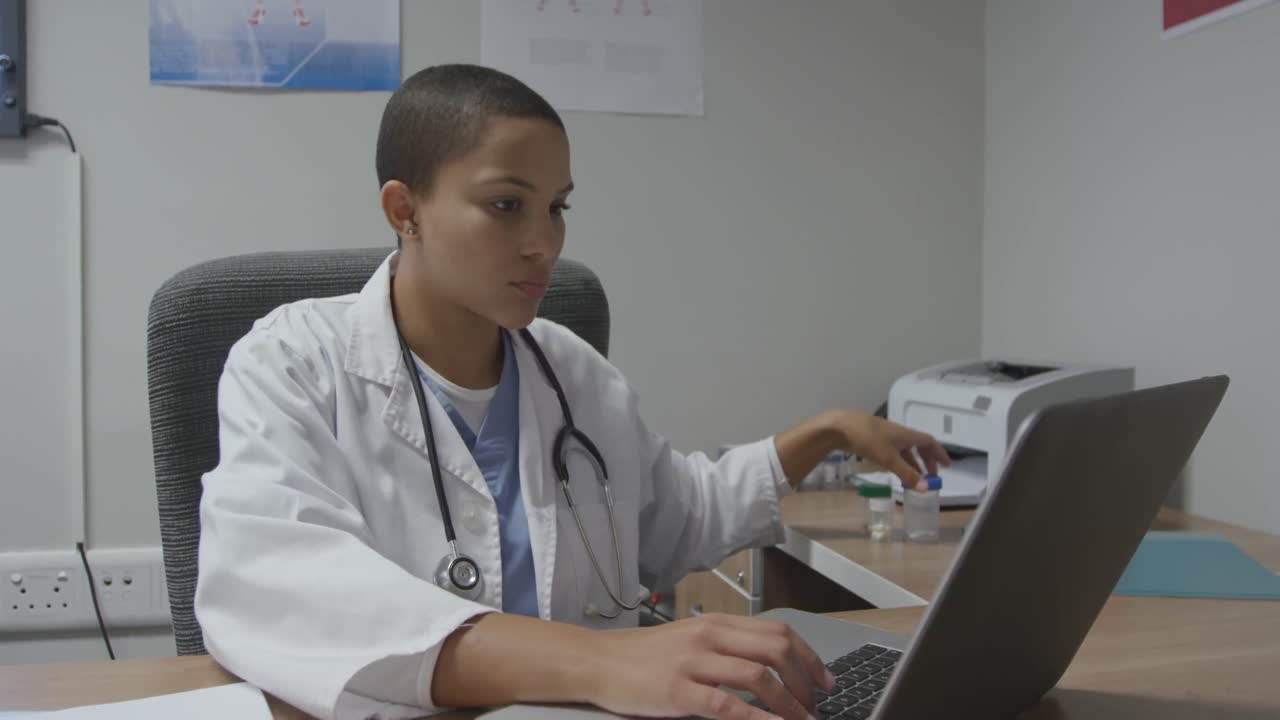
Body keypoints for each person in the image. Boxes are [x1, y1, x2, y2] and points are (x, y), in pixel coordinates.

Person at [195, 64, 949, 720]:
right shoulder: (292, 361)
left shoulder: (573, 372)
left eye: (557, 206)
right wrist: (606, 663)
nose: (544, 242)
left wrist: (826, 433)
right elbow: (285, 587)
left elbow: (679, 518)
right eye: (506, 205)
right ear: (405, 210)